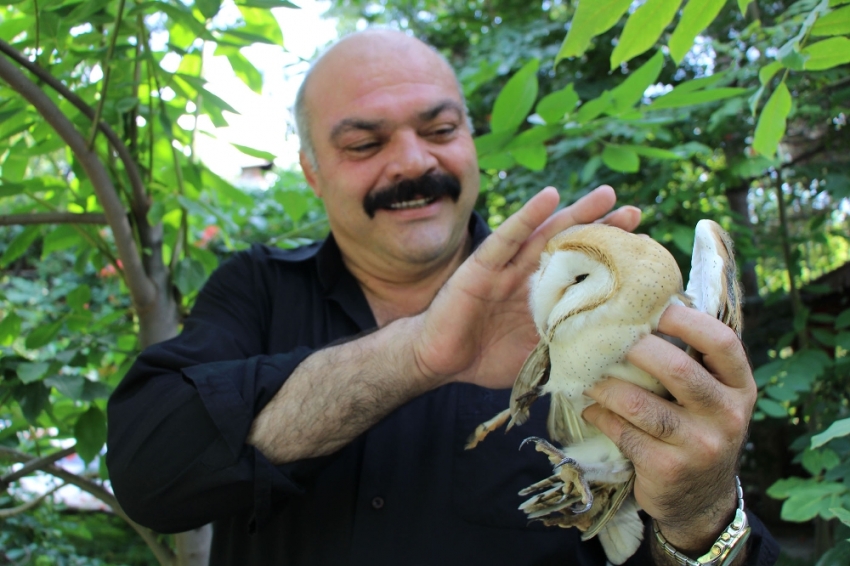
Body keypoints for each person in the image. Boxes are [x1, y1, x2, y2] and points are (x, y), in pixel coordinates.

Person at [107, 30, 779, 565]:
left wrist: (700, 515)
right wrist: (417, 356)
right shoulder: (257, 288)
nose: (412, 163)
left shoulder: (592, 298)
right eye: (364, 142)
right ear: (312, 170)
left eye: (439, 130)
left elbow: (640, 537)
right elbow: (149, 474)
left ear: (470, 142)